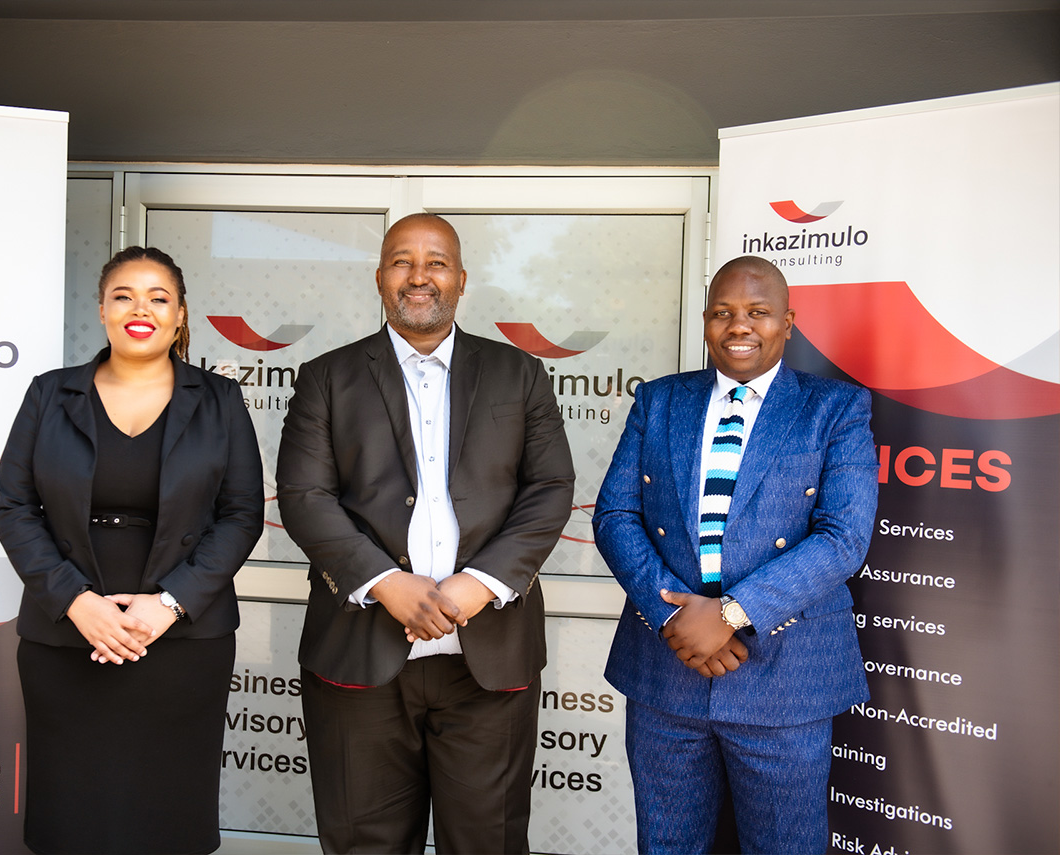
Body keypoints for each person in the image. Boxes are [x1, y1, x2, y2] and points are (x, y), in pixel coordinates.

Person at [276, 213, 575, 855]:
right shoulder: (326, 377)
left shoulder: (519, 373)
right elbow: (304, 497)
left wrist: (481, 583)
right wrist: (385, 583)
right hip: (360, 653)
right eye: (402, 261)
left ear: (461, 280)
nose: (419, 276)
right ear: (380, 278)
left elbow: (550, 489)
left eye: (436, 262)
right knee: (366, 844)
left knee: (488, 843)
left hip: (489, 655)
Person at [593, 255, 877, 854]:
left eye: (757, 312)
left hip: (786, 678)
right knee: (668, 845)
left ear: (787, 323)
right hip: (667, 671)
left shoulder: (835, 408)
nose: (739, 325)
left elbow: (843, 537)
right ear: (705, 322)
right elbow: (615, 515)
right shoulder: (660, 401)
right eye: (722, 312)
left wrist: (728, 614)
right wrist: (673, 616)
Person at [0, 246, 264, 855]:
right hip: (66, 635)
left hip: (183, 636)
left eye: (158, 298)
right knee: (72, 812)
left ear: (180, 314)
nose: (141, 309)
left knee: (169, 813)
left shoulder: (220, 400)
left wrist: (168, 604)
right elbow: (13, 507)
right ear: (102, 310)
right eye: (124, 296)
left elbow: (241, 514)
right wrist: (76, 602)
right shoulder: (49, 394)